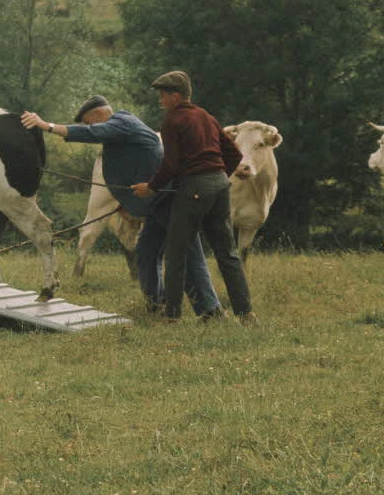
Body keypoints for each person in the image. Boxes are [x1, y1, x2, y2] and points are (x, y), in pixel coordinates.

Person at [21, 96, 223, 319]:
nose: (89, 127)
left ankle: (210, 310)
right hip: (155, 203)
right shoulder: (119, 131)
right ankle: (156, 304)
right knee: (146, 251)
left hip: (170, 200)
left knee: (187, 253)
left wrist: (46, 126)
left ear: (99, 115)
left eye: (89, 121)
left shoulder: (122, 123)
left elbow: (91, 134)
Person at [129, 71, 256, 324]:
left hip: (194, 192)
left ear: (176, 96)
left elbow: (171, 165)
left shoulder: (173, 121)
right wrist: (218, 175)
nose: (160, 101)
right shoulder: (205, 116)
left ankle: (172, 317)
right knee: (227, 254)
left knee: (176, 254)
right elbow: (233, 153)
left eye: (163, 95)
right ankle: (246, 314)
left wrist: (150, 188)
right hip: (220, 189)